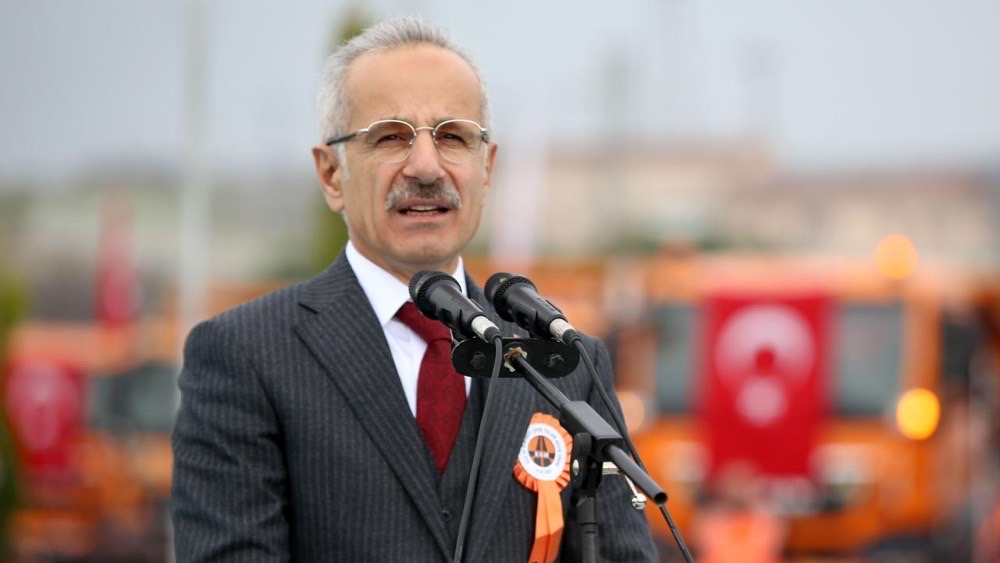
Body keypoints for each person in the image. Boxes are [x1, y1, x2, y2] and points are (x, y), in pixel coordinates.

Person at [170, 16, 656, 562]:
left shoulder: (566, 363)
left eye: (452, 137)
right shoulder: (245, 356)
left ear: (487, 168)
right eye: (390, 136)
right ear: (331, 174)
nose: (426, 167)